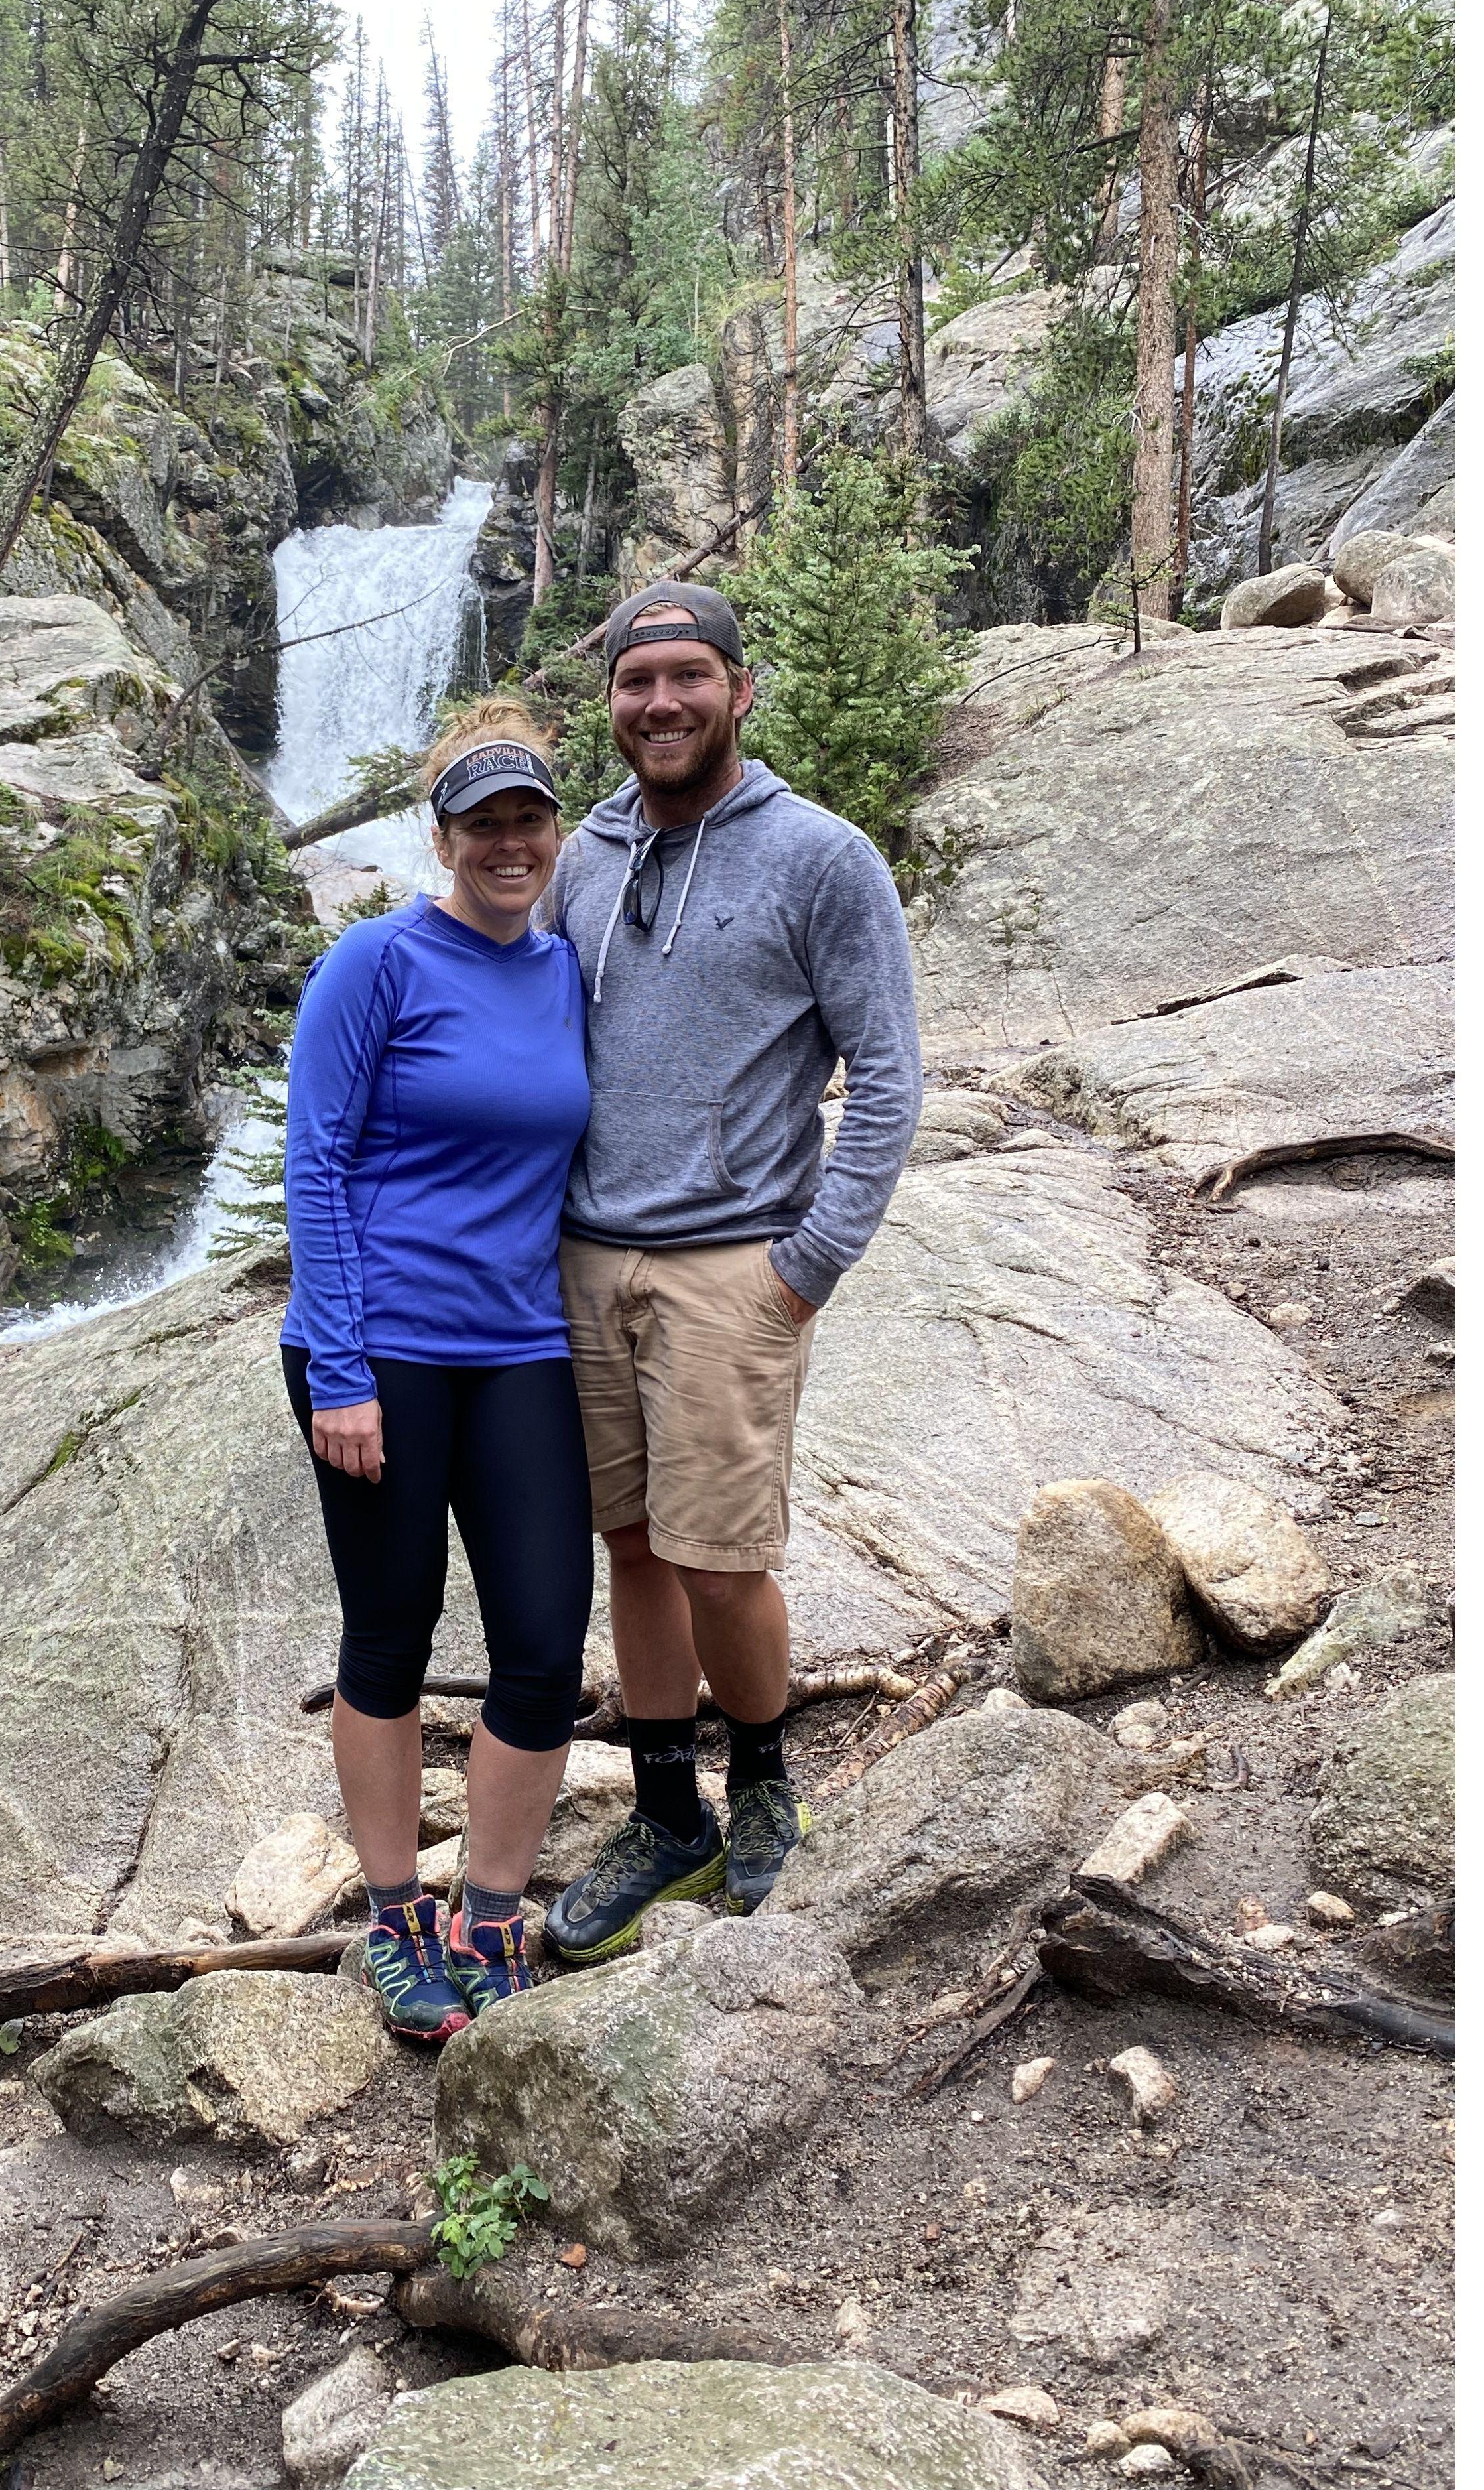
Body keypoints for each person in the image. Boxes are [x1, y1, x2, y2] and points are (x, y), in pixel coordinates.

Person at [538, 581, 923, 1962]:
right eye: (638, 682)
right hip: (583, 1262)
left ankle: (762, 1786)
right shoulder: (583, 854)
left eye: (688, 677)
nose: (662, 704)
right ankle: (666, 1813)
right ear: (614, 704)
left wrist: (808, 1265)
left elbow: (887, 1074)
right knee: (631, 1547)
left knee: (721, 1559)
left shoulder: (823, 860)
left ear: (740, 690)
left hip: (730, 1268)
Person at [279, 704, 594, 2040]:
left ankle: (494, 1913)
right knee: (390, 1639)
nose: (509, 843)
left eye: (529, 818)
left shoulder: (567, 970)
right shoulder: (376, 964)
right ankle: (400, 1915)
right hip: (381, 1353)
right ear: (444, 835)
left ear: (554, 831)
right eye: (485, 823)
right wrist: (339, 1366)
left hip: (522, 1345)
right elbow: (317, 1161)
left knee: (540, 1645)